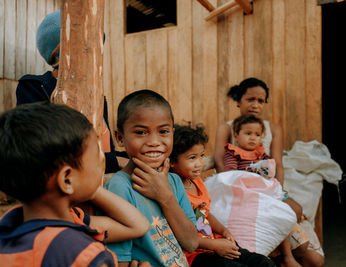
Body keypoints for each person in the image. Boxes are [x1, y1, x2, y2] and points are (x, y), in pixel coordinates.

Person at [0, 102, 151, 266]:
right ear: (66, 179)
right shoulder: (81, 253)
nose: (102, 163)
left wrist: (88, 186)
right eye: (97, 157)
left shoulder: (11, 224)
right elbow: (138, 226)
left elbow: (138, 225)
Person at [215, 78, 324, 267]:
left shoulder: (272, 128)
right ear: (238, 101)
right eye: (250, 99)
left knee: (295, 210)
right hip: (238, 188)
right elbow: (219, 161)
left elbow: (277, 164)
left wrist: (277, 192)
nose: (255, 105)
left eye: (261, 100)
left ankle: (283, 254)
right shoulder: (227, 128)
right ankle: (275, 255)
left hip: (267, 187)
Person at [15, 10, 127, 173]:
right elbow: (40, 149)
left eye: (97, 45)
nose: (95, 53)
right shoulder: (34, 88)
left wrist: (134, 158)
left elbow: (106, 151)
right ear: (60, 54)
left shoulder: (97, 97)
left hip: (102, 181)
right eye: (87, 45)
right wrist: (115, 161)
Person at [104, 90, 198, 267]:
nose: (154, 141)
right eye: (140, 132)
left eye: (163, 131)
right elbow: (120, 260)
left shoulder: (175, 182)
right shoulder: (119, 188)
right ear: (120, 138)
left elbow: (191, 243)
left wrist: (165, 197)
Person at [169, 124, 276, 267]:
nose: (199, 163)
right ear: (172, 161)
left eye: (201, 156)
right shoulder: (172, 190)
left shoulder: (197, 181)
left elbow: (205, 214)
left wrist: (224, 230)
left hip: (216, 242)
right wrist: (214, 245)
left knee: (263, 262)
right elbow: (180, 235)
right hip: (196, 254)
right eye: (192, 158)